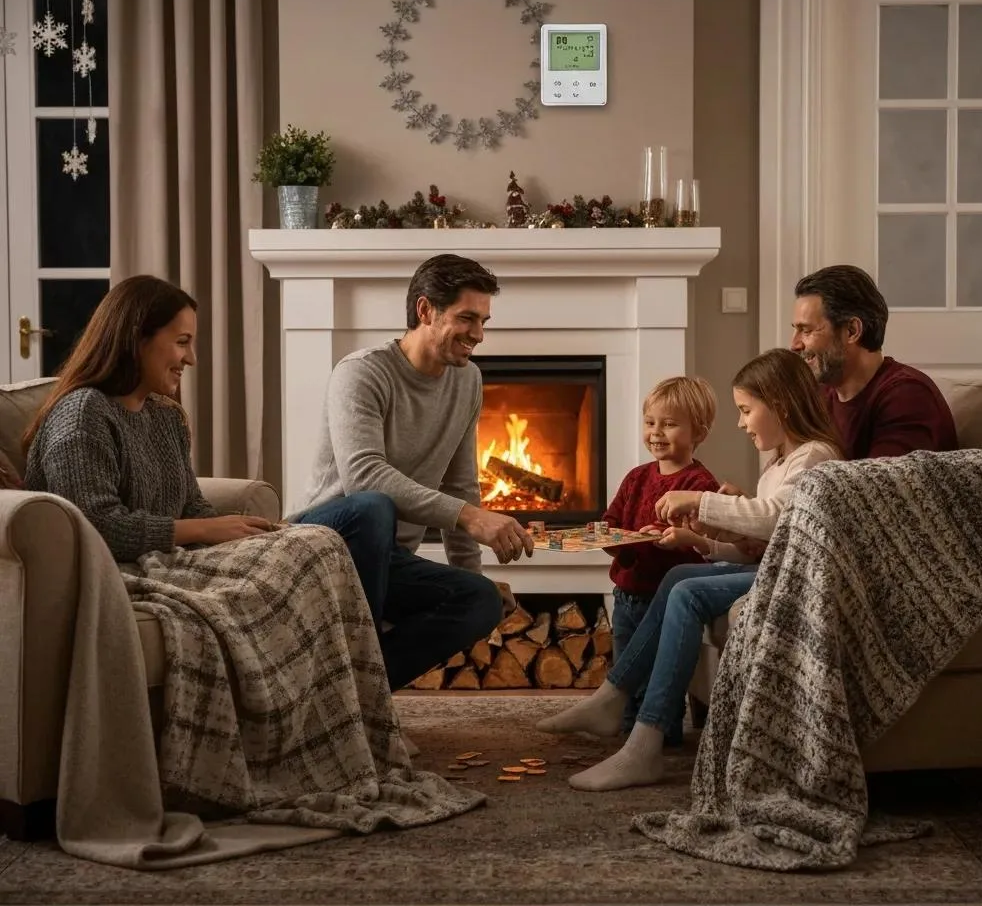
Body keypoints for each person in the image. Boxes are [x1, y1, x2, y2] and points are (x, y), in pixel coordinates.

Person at [21, 276, 477, 830]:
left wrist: (231, 529)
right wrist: (202, 530)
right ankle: (334, 720)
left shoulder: (164, 416)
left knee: (311, 545)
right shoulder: (83, 415)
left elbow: (189, 501)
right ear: (137, 338)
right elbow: (92, 524)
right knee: (317, 541)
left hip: (181, 553)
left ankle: (333, 714)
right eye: (181, 341)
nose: (190, 357)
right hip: (137, 565)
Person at [537, 348, 843, 791]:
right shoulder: (778, 464)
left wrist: (702, 501)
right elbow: (758, 549)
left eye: (745, 410)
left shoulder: (815, 456)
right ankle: (613, 699)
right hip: (772, 566)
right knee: (678, 578)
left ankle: (644, 739)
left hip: (798, 575)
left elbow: (776, 516)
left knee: (687, 590)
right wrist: (705, 540)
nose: (741, 423)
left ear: (780, 405)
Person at [292, 253, 532, 694]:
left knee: (479, 600)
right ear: (425, 310)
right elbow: (363, 476)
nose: (478, 334)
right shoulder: (362, 373)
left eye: (484, 321)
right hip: (324, 544)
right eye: (467, 318)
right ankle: (355, 706)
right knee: (373, 506)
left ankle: (357, 699)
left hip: (390, 558)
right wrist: (471, 517)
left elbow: (461, 485)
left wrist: (471, 573)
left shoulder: (468, 381)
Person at [600, 375, 721, 744]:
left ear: (698, 431)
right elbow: (612, 522)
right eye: (650, 422)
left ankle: (662, 731)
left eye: (669, 424)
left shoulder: (701, 486)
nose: (656, 432)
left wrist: (675, 541)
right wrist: (608, 537)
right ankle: (627, 730)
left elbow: (706, 544)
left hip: (667, 600)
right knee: (627, 666)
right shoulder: (636, 478)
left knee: (659, 671)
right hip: (627, 594)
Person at [791, 264, 958, 459]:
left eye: (807, 330)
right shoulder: (820, 396)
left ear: (852, 331)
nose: (794, 344)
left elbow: (878, 487)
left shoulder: (907, 397)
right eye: (795, 329)